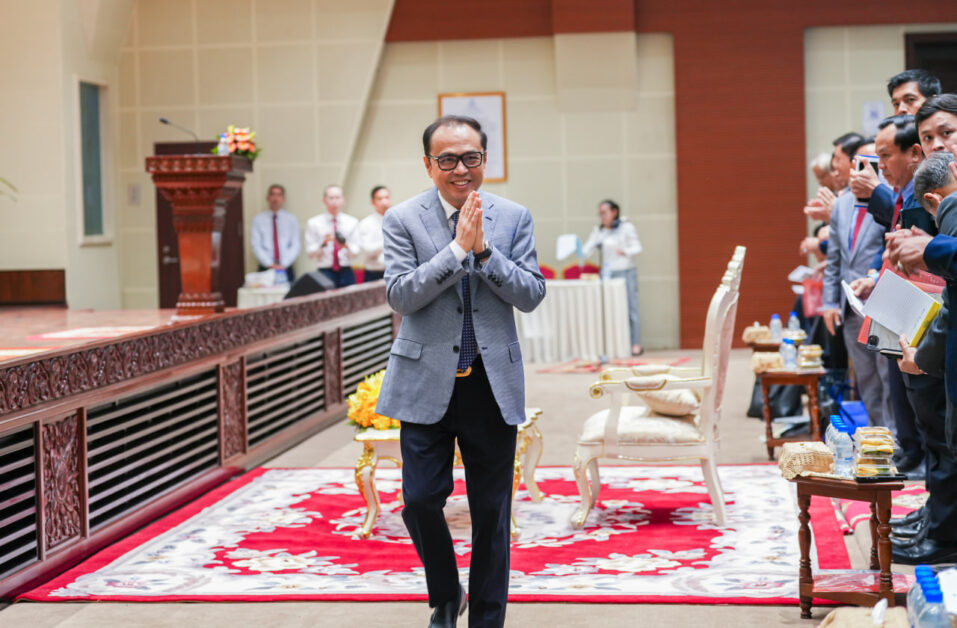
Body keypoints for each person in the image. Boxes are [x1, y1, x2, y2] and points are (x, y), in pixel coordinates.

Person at [376, 115, 545, 628]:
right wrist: (455, 251)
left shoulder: (513, 217)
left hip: (491, 385)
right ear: (428, 165)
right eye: (447, 159)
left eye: (470, 157)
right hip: (425, 380)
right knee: (419, 501)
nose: (460, 169)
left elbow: (531, 293)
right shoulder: (402, 219)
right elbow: (400, 295)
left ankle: (486, 621)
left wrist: (485, 252)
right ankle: (447, 593)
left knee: (492, 512)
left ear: (484, 159)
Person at [821, 139, 890, 430]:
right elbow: (835, 259)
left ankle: (894, 439)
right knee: (866, 379)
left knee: (888, 379)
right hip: (850, 305)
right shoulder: (843, 204)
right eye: (861, 163)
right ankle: (875, 437)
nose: (867, 169)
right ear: (853, 165)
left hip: (882, 302)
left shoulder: (889, 200)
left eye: (876, 163)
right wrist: (829, 302)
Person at [581, 199, 643, 355]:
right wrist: (588, 243)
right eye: (600, 213)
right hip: (607, 274)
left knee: (631, 309)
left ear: (614, 212)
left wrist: (625, 251)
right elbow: (585, 252)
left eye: (604, 212)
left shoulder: (626, 227)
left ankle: (635, 343)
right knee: (609, 309)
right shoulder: (599, 231)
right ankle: (614, 344)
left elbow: (638, 248)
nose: (602, 216)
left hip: (626, 271)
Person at [304, 185, 360, 287]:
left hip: (346, 270)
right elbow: (310, 254)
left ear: (344, 200)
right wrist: (323, 243)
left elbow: (356, 252)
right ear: (324, 200)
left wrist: (344, 245)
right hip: (324, 271)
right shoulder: (314, 223)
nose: (334, 201)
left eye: (337, 197)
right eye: (331, 198)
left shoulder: (352, 222)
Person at [250, 184, 300, 283]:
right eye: (273, 194)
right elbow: (256, 245)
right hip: (265, 266)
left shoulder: (291, 219)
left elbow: (295, 244)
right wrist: (269, 263)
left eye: (279, 195)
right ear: (268, 198)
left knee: (290, 292)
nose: (275, 198)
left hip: (286, 266)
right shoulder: (258, 219)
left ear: (283, 198)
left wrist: (284, 264)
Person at [354, 185, 391, 282]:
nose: (384, 202)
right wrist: (388, 241)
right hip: (374, 273)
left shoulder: (397, 220)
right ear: (373, 202)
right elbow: (368, 250)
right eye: (380, 199)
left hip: (394, 271)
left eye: (387, 197)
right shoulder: (366, 223)